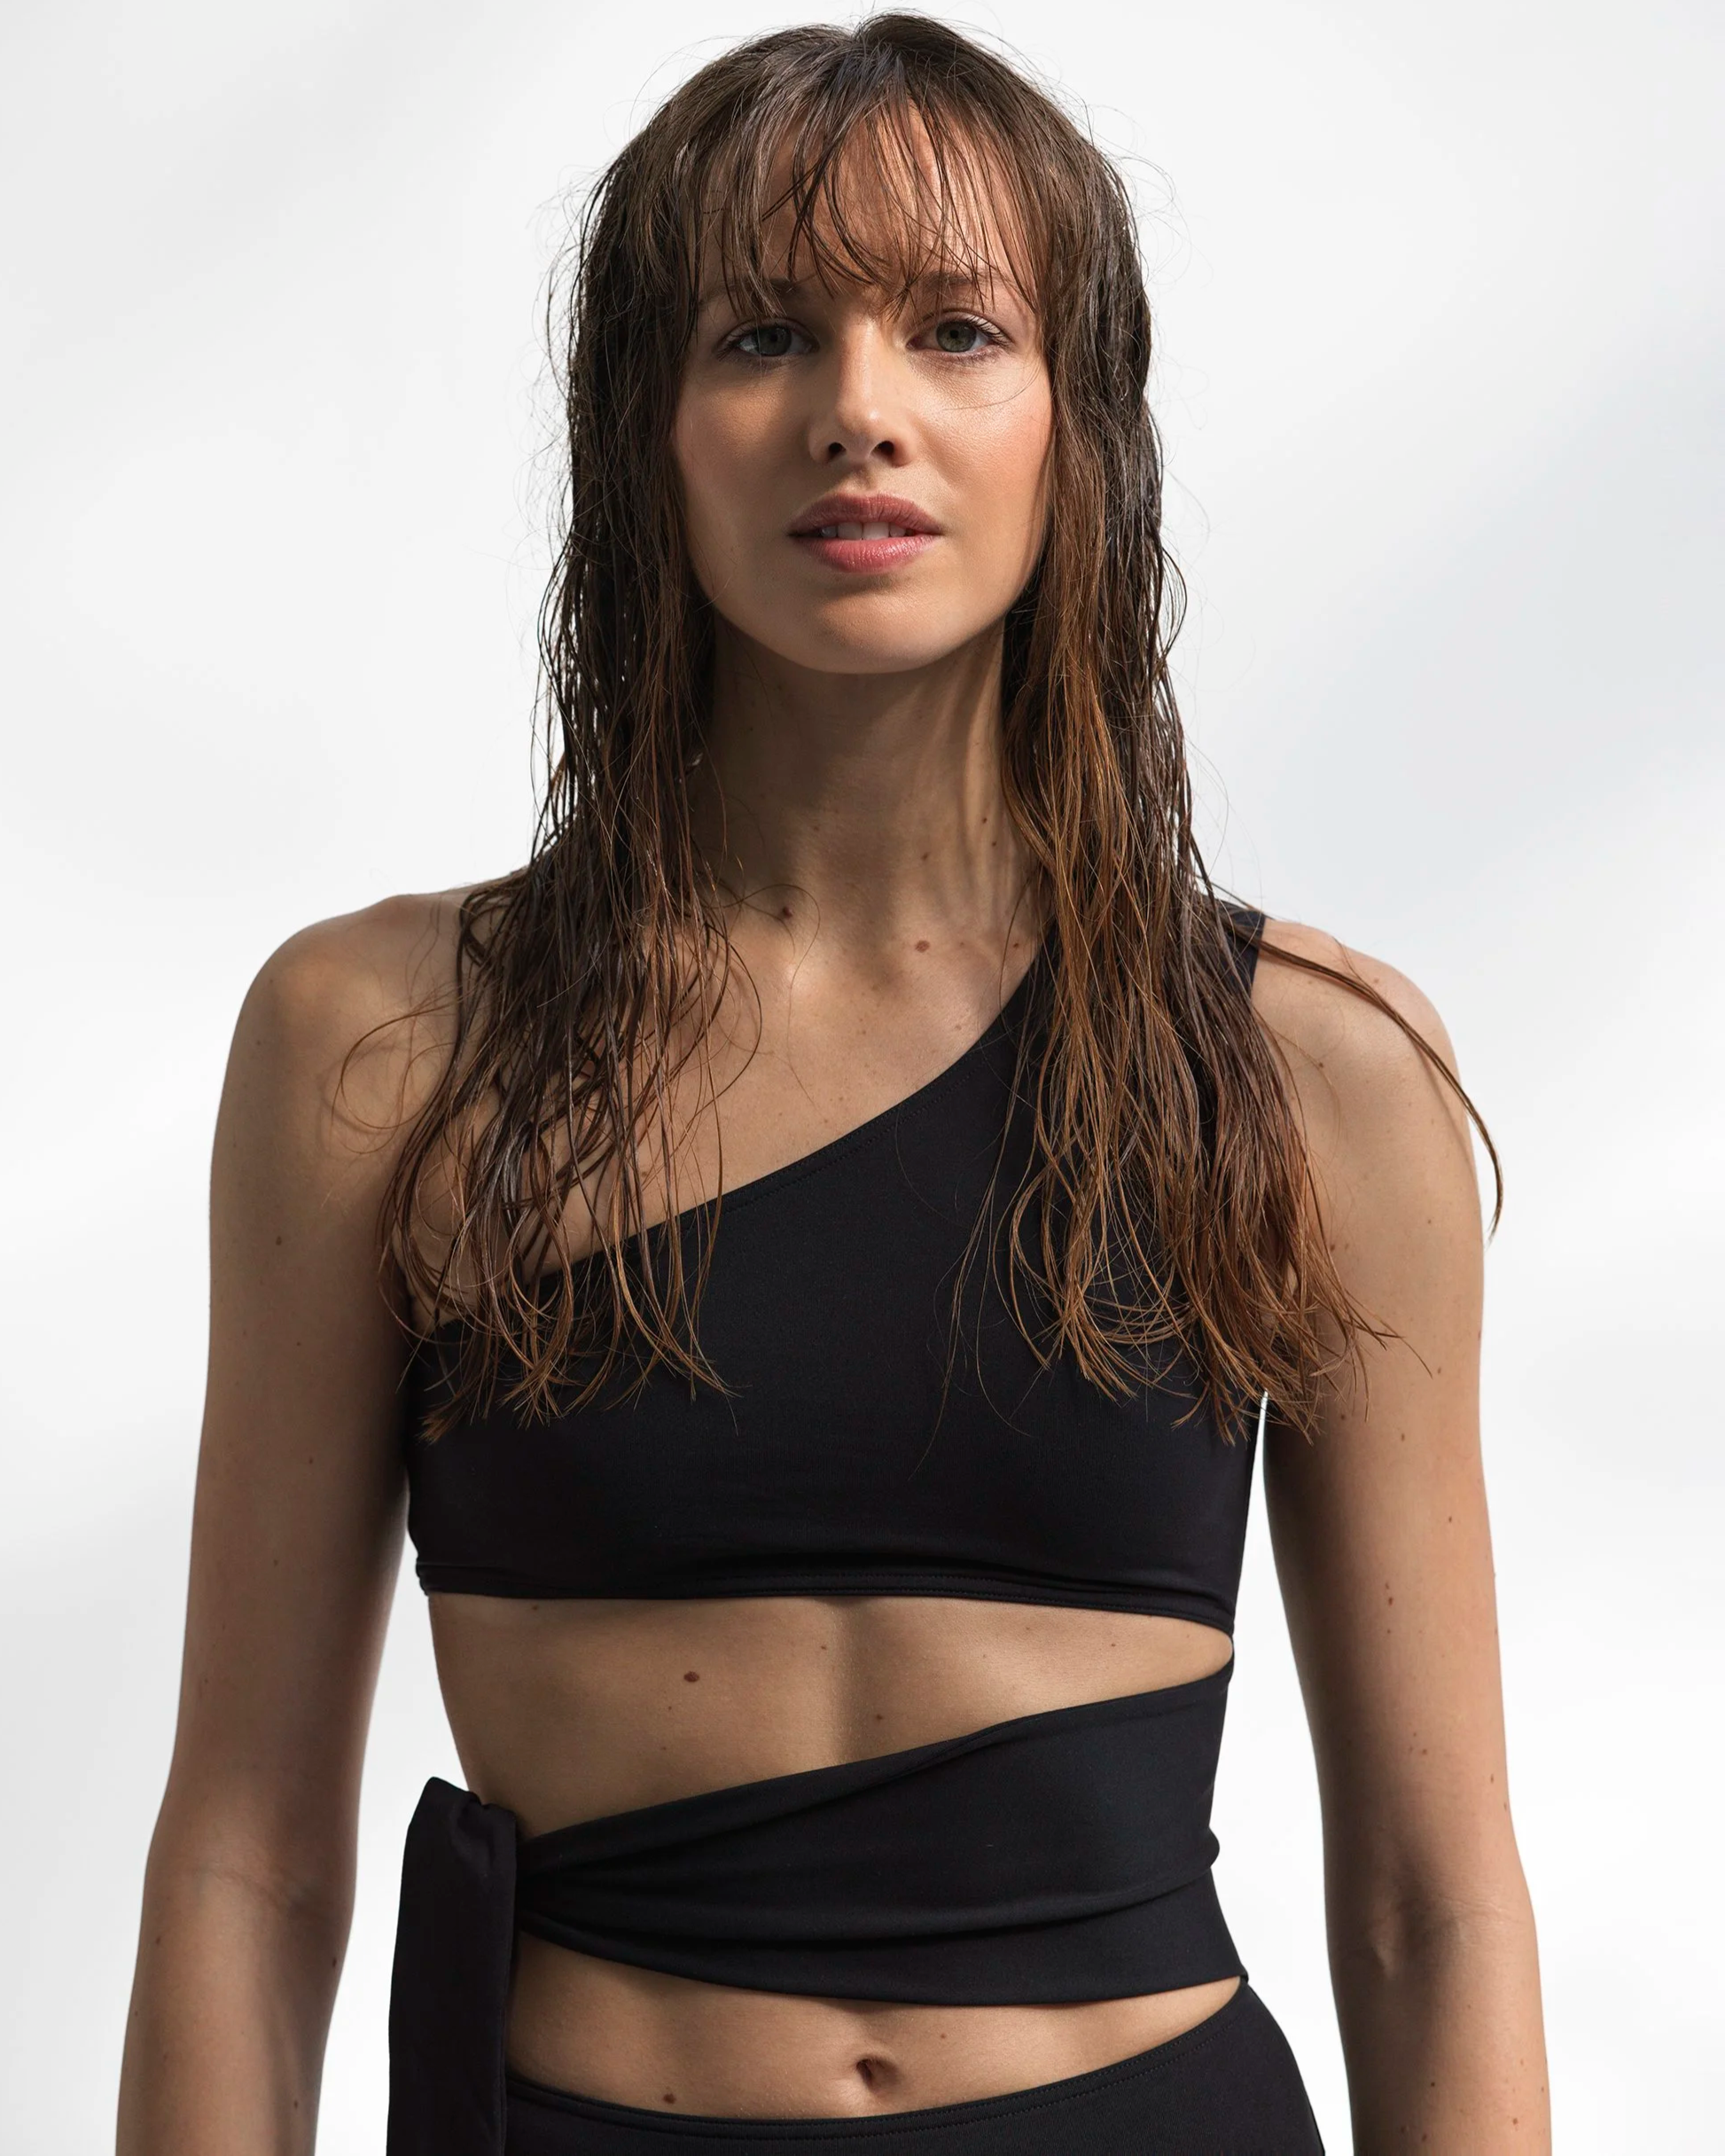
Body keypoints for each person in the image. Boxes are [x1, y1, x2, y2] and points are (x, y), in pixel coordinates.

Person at [117, 17, 1549, 2153]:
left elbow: (1433, 1907)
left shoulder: (1304, 1070)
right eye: (764, 334)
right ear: (649, 428)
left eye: (956, 330)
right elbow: (247, 1858)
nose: (856, 411)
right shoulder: (386, 1044)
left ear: (1077, 426)